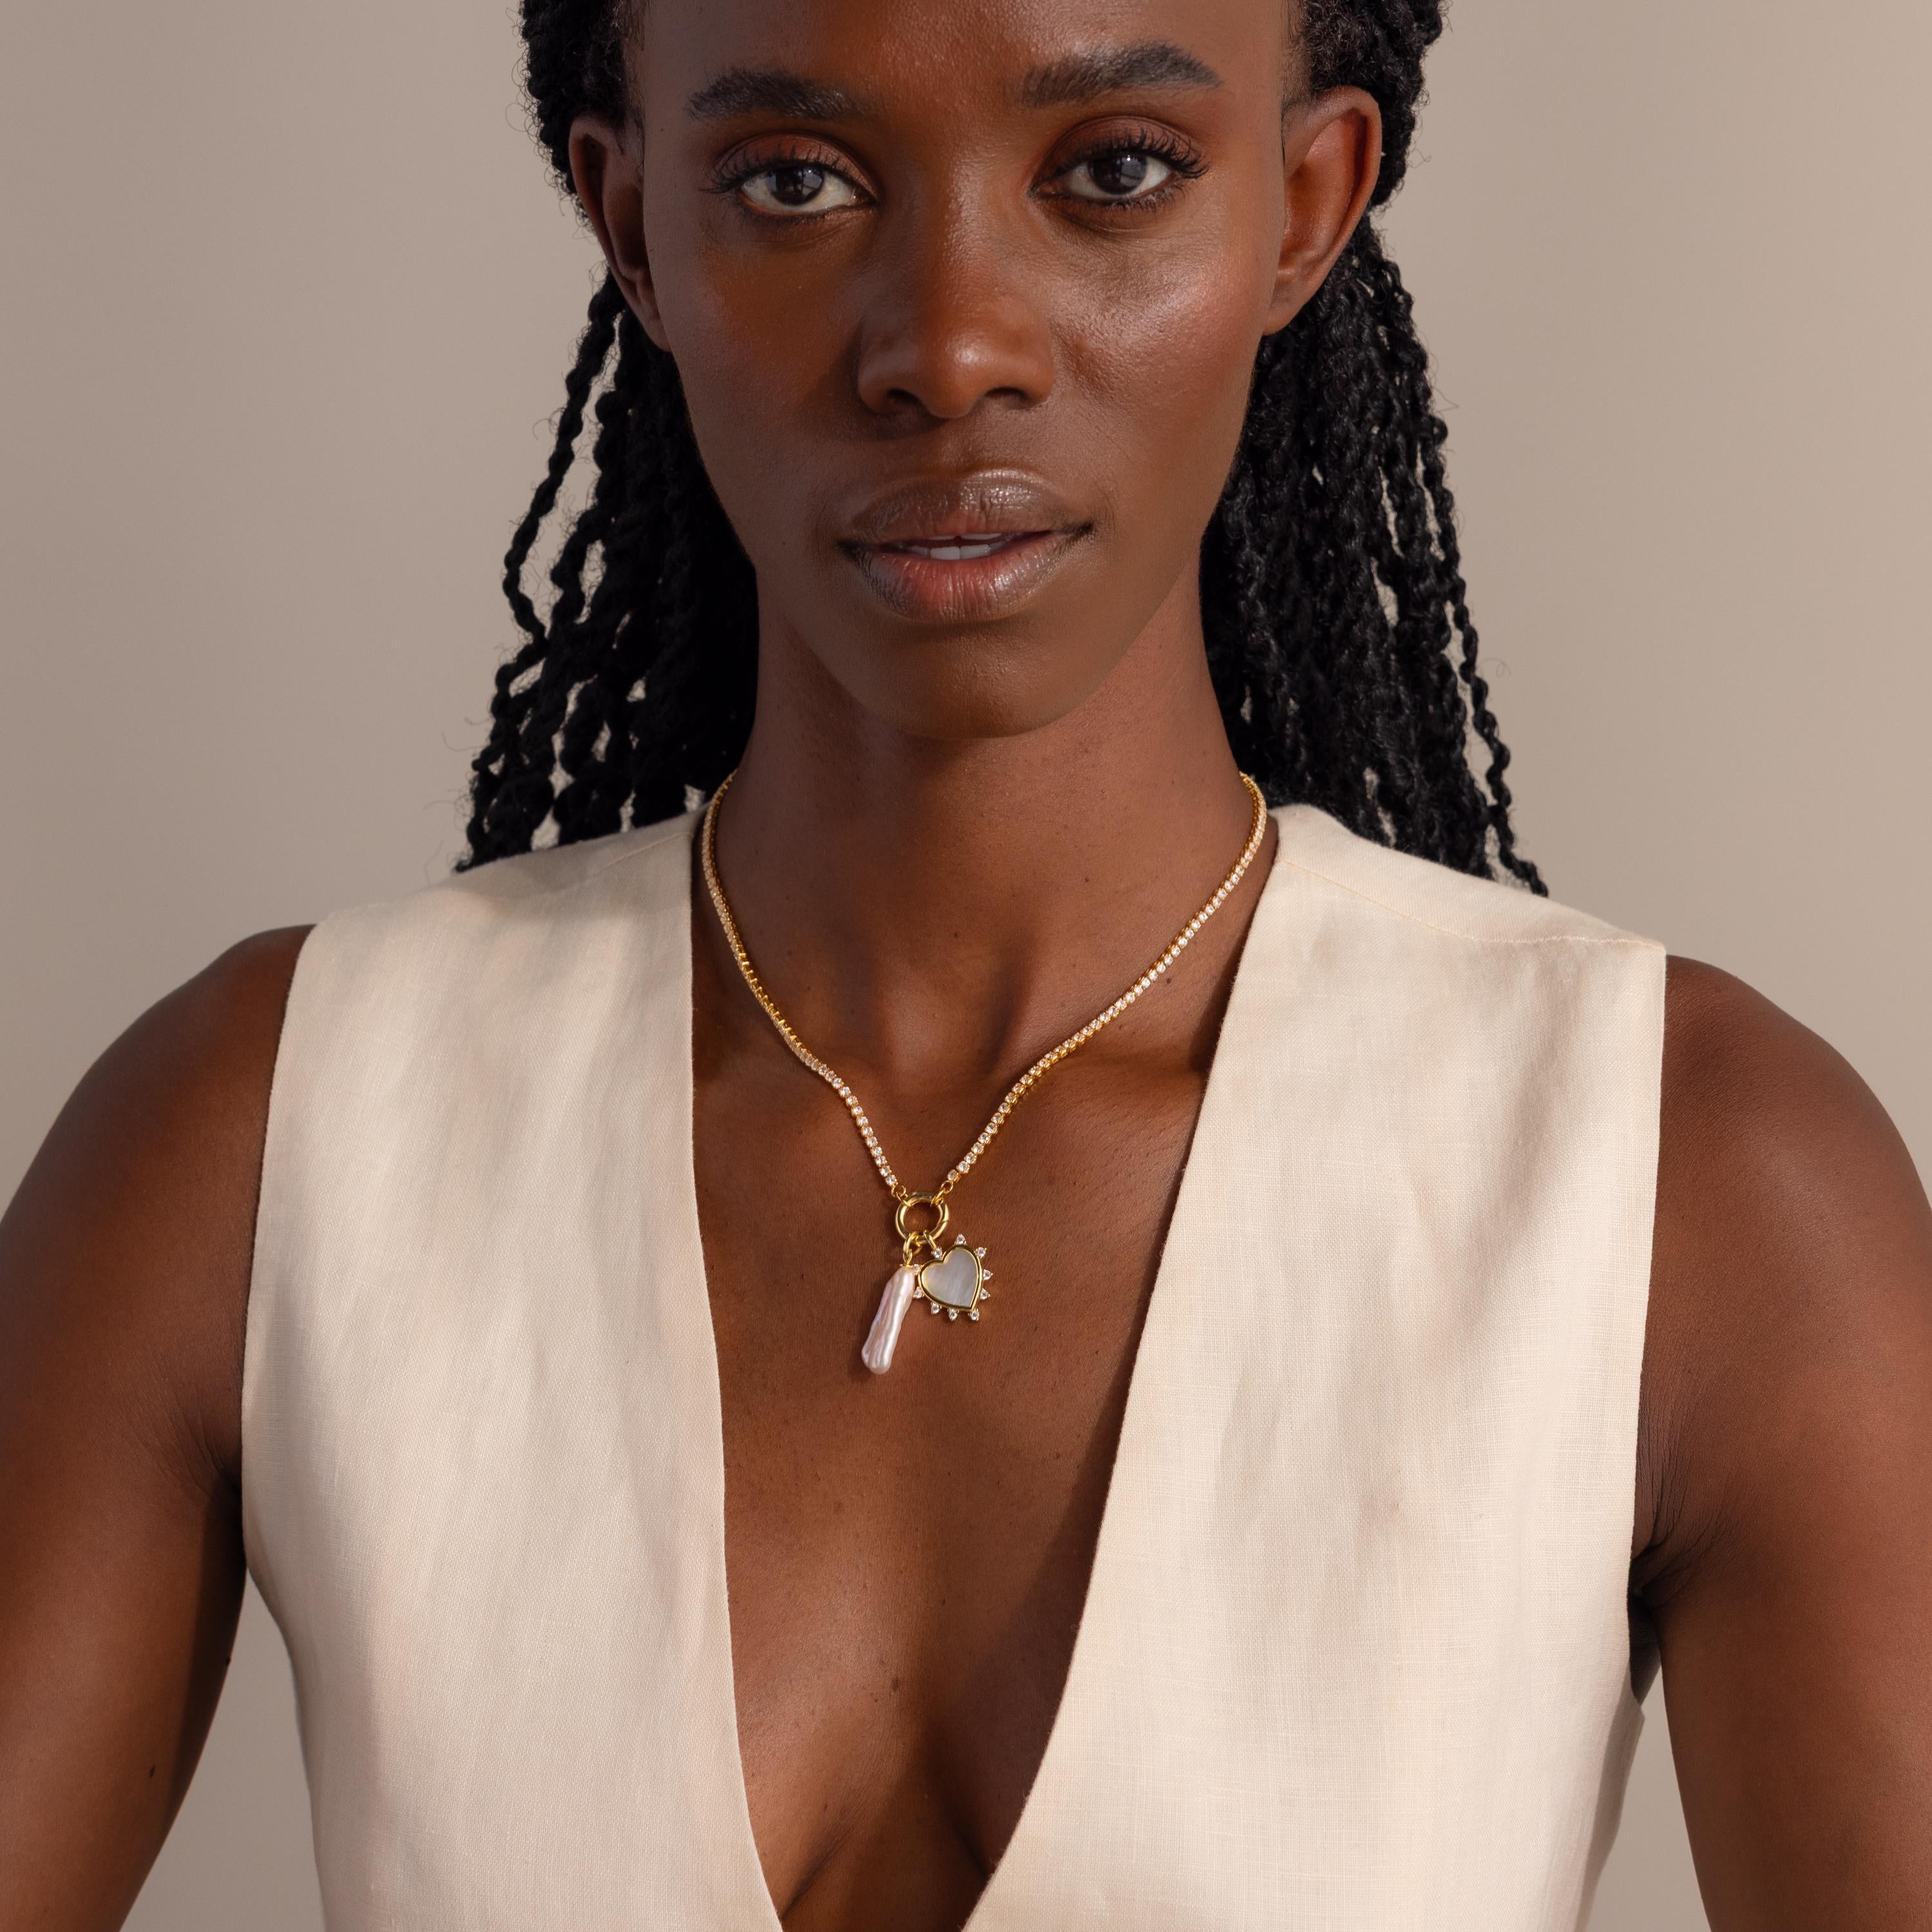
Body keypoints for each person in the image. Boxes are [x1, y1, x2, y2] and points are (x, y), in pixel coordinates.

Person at [2, 0, 1928, 1926]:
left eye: (1112, 173)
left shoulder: (1692, 1190)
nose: (949, 349)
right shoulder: (262, 1142)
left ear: (1307, 201)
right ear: (633, 224)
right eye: (793, 183)